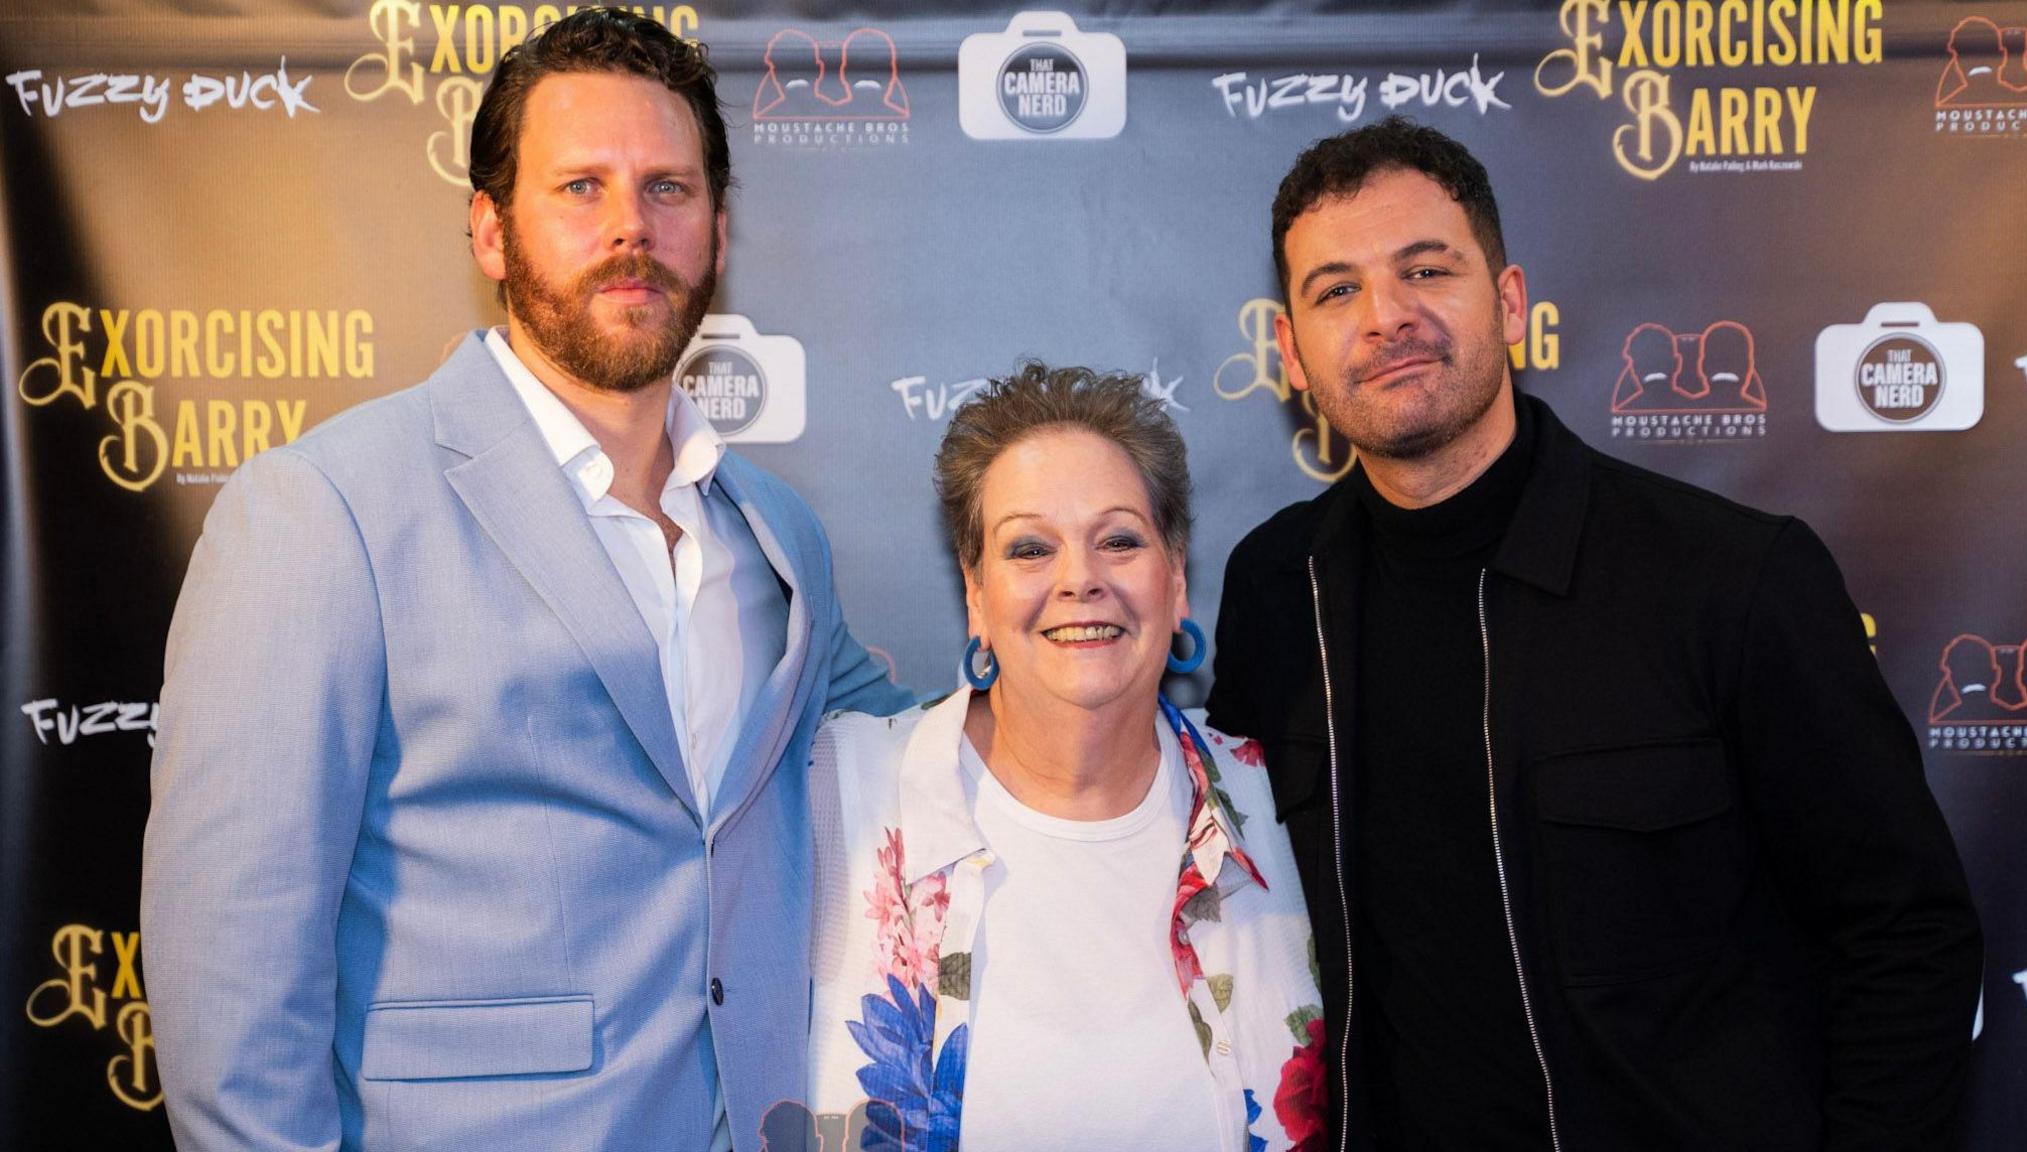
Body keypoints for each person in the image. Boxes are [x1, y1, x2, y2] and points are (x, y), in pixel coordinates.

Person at [140, 11, 908, 1151]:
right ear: (490, 232)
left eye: (667, 189)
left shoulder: (776, 535)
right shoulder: (321, 514)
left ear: (718, 227)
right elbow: (232, 975)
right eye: (580, 189)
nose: (629, 230)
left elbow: (917, 760)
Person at [1207, 117, 1981, 1151]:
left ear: (1511, 303)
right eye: (1335, 289)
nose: (1384, 316)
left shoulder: (1729, 577)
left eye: (1425, 270)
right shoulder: (1271, 587)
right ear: (1289, 354)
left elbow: (1903, 936)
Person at [806, 364, 1327, 1152]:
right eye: (1029, 548)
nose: (1081, 579)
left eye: (1119, 539)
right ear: (976, 595)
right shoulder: (836, 795)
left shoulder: (1283, 805)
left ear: (1177, 578)